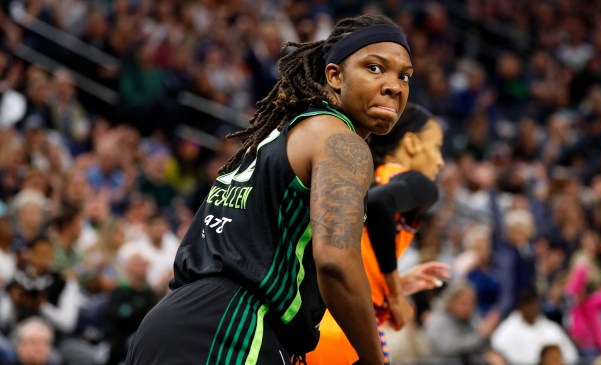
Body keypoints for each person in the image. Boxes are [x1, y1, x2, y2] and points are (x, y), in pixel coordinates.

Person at [126, 14, 413, 365]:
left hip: (170, 322)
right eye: (374, 68)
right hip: (234, 327)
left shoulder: (276, 138)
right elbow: (336, 262)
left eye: (404, 76)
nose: (394, 86)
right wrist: (374, 359)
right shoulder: (341, 142)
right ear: (334, 75)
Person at [306, 103, 450, 365]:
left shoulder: (353, 178)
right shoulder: (419, 184)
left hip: (311, 320)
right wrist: (395, 293)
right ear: (412, 144)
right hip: (349, 329)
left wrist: (392, 284)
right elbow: (380, 205)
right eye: (437, 146)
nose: (440, 161)